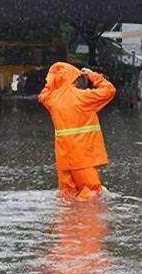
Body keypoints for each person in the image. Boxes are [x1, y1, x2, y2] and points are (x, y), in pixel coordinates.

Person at [38, 62, 116, 201]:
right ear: (74, 77)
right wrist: (92, 75)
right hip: (82, 158)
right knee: (92, 194)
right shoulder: (83, 97)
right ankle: (87, 222)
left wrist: (52, 80)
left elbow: (43, 94)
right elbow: (109, 90)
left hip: (63, 159)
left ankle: (68, 223)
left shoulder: (51, 100)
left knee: (67, 197)